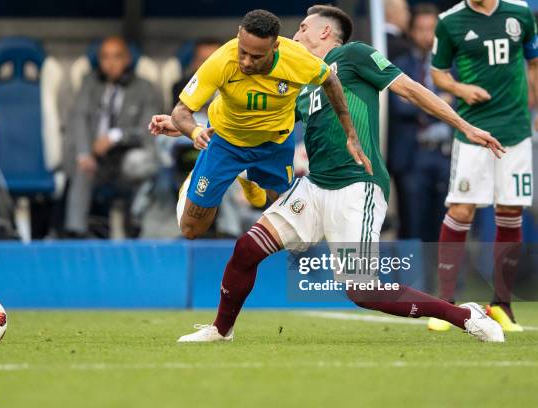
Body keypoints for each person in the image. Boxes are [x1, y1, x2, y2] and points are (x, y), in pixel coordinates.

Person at [154, 6, 505, 343]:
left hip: (357, 185)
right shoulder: (300, 79)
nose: (296, 32)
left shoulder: (354, 55)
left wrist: (463, 125)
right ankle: (220, 330)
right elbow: (257, 125)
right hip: (315, 187)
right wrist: (185, 124)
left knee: (363, 290)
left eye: (304, 26)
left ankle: (465, 316)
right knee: (247, 248)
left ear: (325, 31)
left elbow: (411, 89)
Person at [151, 9, 371, 240]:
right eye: (242, 52)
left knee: (289, 228)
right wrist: (194, 131)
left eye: (255, 57)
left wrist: (351, 134)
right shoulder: (222, 60)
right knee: (191, 230)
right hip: (227, 143)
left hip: (274, 144)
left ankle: (248, 177)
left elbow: (330, 80)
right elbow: (181, 111)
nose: (246, 61)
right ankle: (197, 179)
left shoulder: (297, 59)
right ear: (239, 35)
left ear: (275, 47)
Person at [428, 0, 538, 332]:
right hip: (473, 131)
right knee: (461, 210)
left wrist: (533, 103)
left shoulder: (520, 14)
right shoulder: (450, 21)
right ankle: (445, 304)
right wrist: (460, 88)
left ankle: (501, 305)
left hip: (516, 132)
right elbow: (438, 73)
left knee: (510, 210)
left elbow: (533, 63)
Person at [63, 36, 161, 237]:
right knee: (82, 165)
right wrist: (84, 154)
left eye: (117, 57)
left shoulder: (145, 88)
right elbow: (78, 118)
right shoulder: (89, 84)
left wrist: (116, 136)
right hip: (95, 159)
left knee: (140, 163)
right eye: (105, 57)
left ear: (127, 60)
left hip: (126, 157)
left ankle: (137, 226)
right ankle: (75, 233)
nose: (111, 63)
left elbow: (148, 130)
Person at [389, 4, 453, 241]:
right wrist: (440, 102)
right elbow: (397, 106)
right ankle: (414, 279)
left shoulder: (453, 66)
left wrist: (416, 100)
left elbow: (460, 104)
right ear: (411, 31)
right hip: (412, 158)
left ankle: (447, 279)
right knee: (413, 228)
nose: (427, 35)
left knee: (448, 228)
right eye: (421, 29)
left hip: (446, 156)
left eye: (432, 29)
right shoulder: (399, 65)